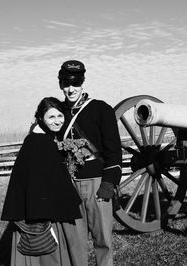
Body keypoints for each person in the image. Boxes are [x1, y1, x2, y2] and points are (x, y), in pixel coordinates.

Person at [0, 97, 86, 266]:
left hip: (40, 208)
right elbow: (37, 181)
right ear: (41, 118)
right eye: (51, 117)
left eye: (60, 116)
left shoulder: (42, 138)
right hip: (44, 215)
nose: (57, 121)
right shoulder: (40, 142)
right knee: (50, 255)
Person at [58, 60, 122, 266]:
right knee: (74, 244)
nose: (70, 89)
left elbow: (113, 149)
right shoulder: (57, 113)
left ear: (83, 83)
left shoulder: (101, 109)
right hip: (69, 185)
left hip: (97, 183)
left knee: (103, 241)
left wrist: (108, 183)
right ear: (61, 85)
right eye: (66, 84)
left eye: (75, 84)